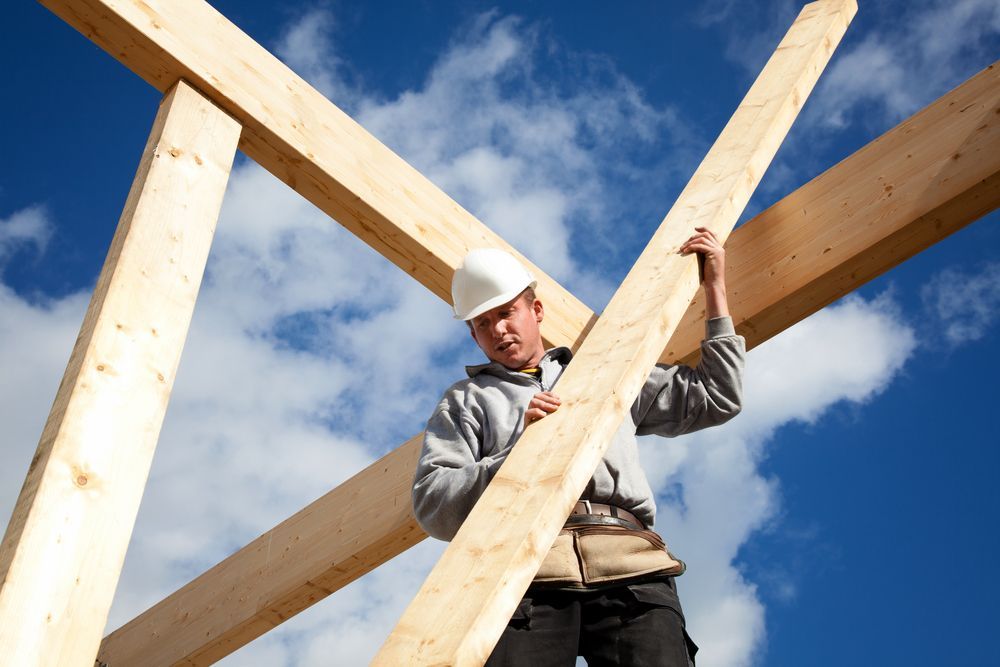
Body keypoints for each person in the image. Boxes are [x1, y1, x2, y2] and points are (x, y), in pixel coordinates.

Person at [412, 228, 744, 666]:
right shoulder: (466, 400)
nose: (498, 329)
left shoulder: (605, 371)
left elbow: (718, 396)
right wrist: (516, 457)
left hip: (629, 565)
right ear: (474, 336)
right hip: (525, 579)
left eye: (506, 312)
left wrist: (715, 290)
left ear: (536, 309)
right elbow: (433, 503)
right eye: (482, 323)